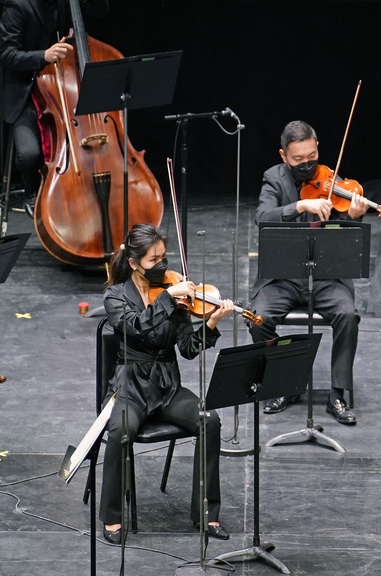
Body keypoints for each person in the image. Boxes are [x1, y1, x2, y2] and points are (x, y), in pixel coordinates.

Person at [101, 224, 234, 544]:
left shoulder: (173, 292)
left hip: (167, 388)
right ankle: (113, 517)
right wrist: (167, 299)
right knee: (120, 430)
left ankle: (206, 513)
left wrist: (211, 324)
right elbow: (134, 326)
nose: (162, 266)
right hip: (130, 388)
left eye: (164, 257)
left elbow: (188, 349)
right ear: (134, 263)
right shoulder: (116, 296)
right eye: (153, 260)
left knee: (209, 420)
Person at [250, 120, 369, 425]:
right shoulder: (273, 179)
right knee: (257, 318)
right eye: (298, 160)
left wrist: (351, 215)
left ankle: (338, 394)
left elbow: (345, 231)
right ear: (283, 155)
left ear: (317, 148)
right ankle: (284, 383)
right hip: (284, 277)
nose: (307, 166)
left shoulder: (330, 178)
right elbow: (263, 218)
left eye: (311, 157)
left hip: (327, 276)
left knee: (347, 315)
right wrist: (301, 205)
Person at [0, 0, 109, 218]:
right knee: (29, 155)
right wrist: (43, 56)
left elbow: (100, 10)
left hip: (62, 88)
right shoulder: (18, 5)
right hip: (27, 90)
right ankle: (33, 191)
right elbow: (6, 54)